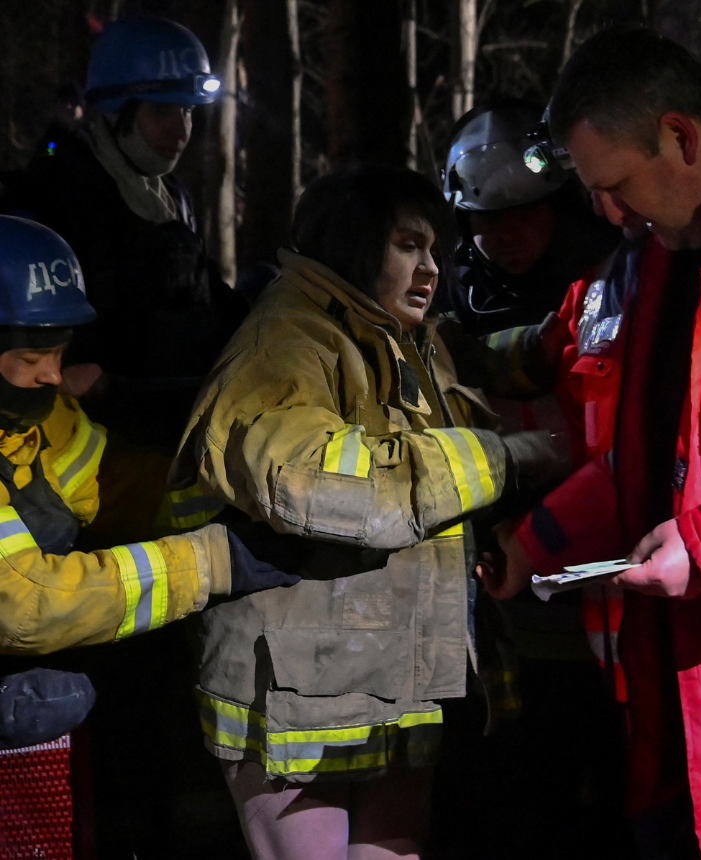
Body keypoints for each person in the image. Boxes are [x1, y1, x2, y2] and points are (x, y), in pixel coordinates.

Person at [170, 165, 570, 858]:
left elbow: (463, 361)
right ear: (355, 247)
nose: (431, 268)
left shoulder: (393, 333)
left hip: (381, 677)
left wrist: (557, 339)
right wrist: (505, 457)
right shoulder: (287, 343)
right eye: (408, 246)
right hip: (297, 694)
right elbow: (313, 480)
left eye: (435, 250)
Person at [485, 26, 701, 860]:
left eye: (616, 185)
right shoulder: (659, 263)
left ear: (679, 135)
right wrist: (534, 544)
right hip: (669, 705)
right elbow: (639, 466)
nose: (608, 213)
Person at [0, 216, 302, 852]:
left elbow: (118, 484)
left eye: (59, 352)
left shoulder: (35, 418)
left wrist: (241, 502)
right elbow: (24, 603)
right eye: (31, 358)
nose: (56, 376)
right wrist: (210, 563)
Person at [1, 16, 246, 453]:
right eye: (162, 110)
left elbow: (202, 294)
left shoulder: (169, 194)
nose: (182, 128)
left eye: (188, 111)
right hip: (100, 437)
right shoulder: (58, 196)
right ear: (116, 112)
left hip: (177, 416)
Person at [439, 99, 621, 337]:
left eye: (525, 215)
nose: (510, 234)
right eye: (492, 219)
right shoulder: (439, 289)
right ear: (464, 222)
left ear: (559, 210)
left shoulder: (608, 277)